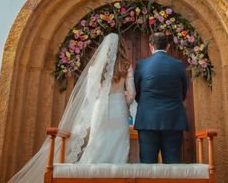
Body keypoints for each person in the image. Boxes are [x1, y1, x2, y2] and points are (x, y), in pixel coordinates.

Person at [8, 33, 135, 183]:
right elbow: (132, 94)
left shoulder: (95, 66)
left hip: (99, 111)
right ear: (120, 47)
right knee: (118, 150)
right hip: (118, 111)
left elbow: (90, 95)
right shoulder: (127, 66)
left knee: (96, 145)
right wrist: (123, 100)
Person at [134, 32, 189, 164]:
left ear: (150, 46)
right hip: (173, 120)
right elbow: (183, 93)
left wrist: (147, 103)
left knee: (148, 166)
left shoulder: (142, 65)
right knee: (173, 165)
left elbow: (137, 93)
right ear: (168, 46)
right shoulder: (178, 65)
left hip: (148, 120)